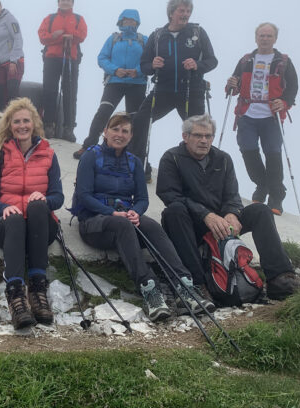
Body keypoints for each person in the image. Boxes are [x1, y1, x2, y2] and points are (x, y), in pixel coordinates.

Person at [74, 113, 213, 321]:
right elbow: (83, 195)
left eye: (125, 131)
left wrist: (135, 212)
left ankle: (184, 286)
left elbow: (142, 198)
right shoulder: (90, 157)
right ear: (105, 132)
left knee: (153, 227)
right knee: (122, 224)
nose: (120, 134)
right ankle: (150, 291)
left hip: (125, 219)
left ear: (131, 136)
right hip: (94, 223)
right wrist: (112, 212)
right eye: (115, 129)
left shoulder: (134, 162)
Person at [157, 114, 300, 301]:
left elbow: (232, 195)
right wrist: (205, 215)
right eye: (198, 135)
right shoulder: (172, 158)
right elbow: (169, 194)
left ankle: (280, 279)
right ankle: (197, 285)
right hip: (191, 223)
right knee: (173, 211)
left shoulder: (223, 159)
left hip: (222, 222)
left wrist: (232, 213)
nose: (204, 140)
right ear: (185, 137)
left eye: (208, 136)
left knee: (261, 211)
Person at [0, 98, 63, 329]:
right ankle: (16, 296)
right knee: (14, 217)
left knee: (37, 206)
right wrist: (3, 208)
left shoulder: (49, 154)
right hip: (8, 226)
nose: (22, 126)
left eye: (26, 120)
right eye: (16, 121)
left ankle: (38, 291)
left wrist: (46, 200)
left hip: (39, 225)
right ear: (9, 125)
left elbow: (58, 197)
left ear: (34, 123)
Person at [129, 0, 218, 176]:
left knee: (199, 132)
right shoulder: (158, 35)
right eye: (181, 10)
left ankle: (198, 172)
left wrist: (197, 65)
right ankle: (139, 166)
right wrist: (152, 65)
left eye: (188, 10)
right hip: (163, 90)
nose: (185, 14)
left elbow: (212, 60)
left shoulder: (197, 33)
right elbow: (144, 64)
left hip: (191, 91)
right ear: (171, 13)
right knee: (140, 120)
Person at [226, 23, 298, 215]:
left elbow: (292, 89)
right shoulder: (245, 60)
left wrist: (284, 103)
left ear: (275, 38)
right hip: (246, 113)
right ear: (256, 37)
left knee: (272, 153)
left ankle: (276, 195)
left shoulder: (283, 61)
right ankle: (262, 185)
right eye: (261, 35)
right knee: (248, 151)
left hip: (271, 116)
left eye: (269, 36)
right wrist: (231, 84)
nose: (265, 39)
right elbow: (233, 85)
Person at [74, 9, 148, 159]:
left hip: (137, 83)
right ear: (121, 21)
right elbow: (102, 58)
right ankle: (89, 146)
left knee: (135, 120)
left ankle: (133, 154)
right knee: (103, 112)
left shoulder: (143, 40)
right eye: (126, 20)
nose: (129, 22)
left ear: (137, 22)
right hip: (115, 81)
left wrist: (138, 71)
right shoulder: (114, 38)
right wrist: (116, 70)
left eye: (132, 20)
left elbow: (149, 61)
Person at [38, 0, 88, 141]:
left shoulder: (79, 18)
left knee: (70, 93)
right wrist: (60, 36)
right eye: (62, 0)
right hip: (51, 58)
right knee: (49, 92)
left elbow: (82, 35)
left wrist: (64, 35)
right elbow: (42, 36)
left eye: (68, 0)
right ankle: (48, 125)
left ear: (72, 3)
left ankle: (69, 128)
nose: (65, 2)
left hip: (71, 58)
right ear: (58, 3)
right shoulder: (50, 18)